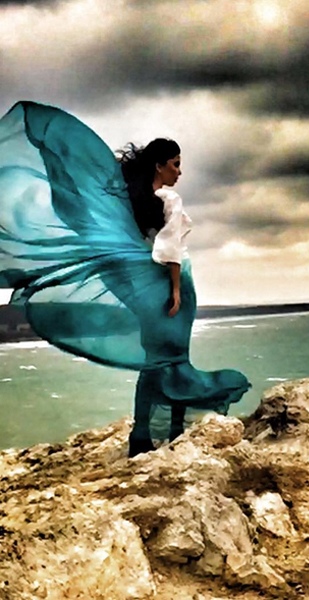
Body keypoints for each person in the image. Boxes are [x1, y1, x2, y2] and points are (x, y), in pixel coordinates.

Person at [0, 101, 251, 457]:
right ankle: (171, 431)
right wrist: (176, 290)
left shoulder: (130, 201)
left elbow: (120, 233)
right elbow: (170, 250)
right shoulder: (169, 200)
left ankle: (142, 436)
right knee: (172, 360)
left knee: (157, 362)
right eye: (175, 164)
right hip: (171, 287)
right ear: (159, 165)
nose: (179, 171)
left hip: (144, 292)